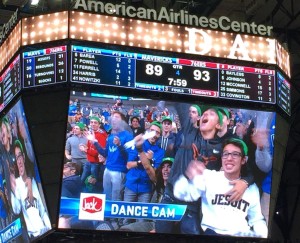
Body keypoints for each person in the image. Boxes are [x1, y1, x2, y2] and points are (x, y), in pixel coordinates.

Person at [173, 138, 268, 238]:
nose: (229, 158)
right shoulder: (208, 177)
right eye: (225, 154)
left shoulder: (251, 188)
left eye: (235, 154)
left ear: (243, 160)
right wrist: (188, 176)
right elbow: (180, 194)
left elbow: (257, 220)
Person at [123, 121, 165, 224]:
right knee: (125, 218)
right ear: (148, 131)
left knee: (141, 220)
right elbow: (128, 165)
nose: (154, 134)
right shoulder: (138, 144)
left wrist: (149, 162)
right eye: (152, 131)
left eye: (157, 133)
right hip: (131, 185)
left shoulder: (160, 152)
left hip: (146, 189)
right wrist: (143, 160)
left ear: (160, 135)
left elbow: (154, 175)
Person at [10, 140, 51, 239]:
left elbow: (43, 211)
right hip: (33, 236)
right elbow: (16, 209)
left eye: (19, 156)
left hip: (45, 231)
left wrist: (49, 228)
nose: (19, 161)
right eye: (16, 158)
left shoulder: (34, 181)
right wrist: (14, 191)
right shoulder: (17, 184)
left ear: (23, 157)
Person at [120, 157, 174, 232]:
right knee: (125, 229)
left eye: (169, 167)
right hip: (152, 223)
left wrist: (158, 229)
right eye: (163, 167)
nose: (165, 169)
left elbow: (178, 219)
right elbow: (148, 168)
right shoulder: (158, 187)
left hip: (165, 227)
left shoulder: (177, 191)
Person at [80, 116, 107, 193]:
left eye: (95, 122)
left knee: (93, 183)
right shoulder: (91, 133)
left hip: (96, 163)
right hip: (89, 161)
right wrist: (85, 147)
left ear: (99, 124)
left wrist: (86, 150)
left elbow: (99, 152)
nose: (93, 124)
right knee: (82, 181)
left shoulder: (101, 135)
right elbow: (90, 148)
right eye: (91, 122)